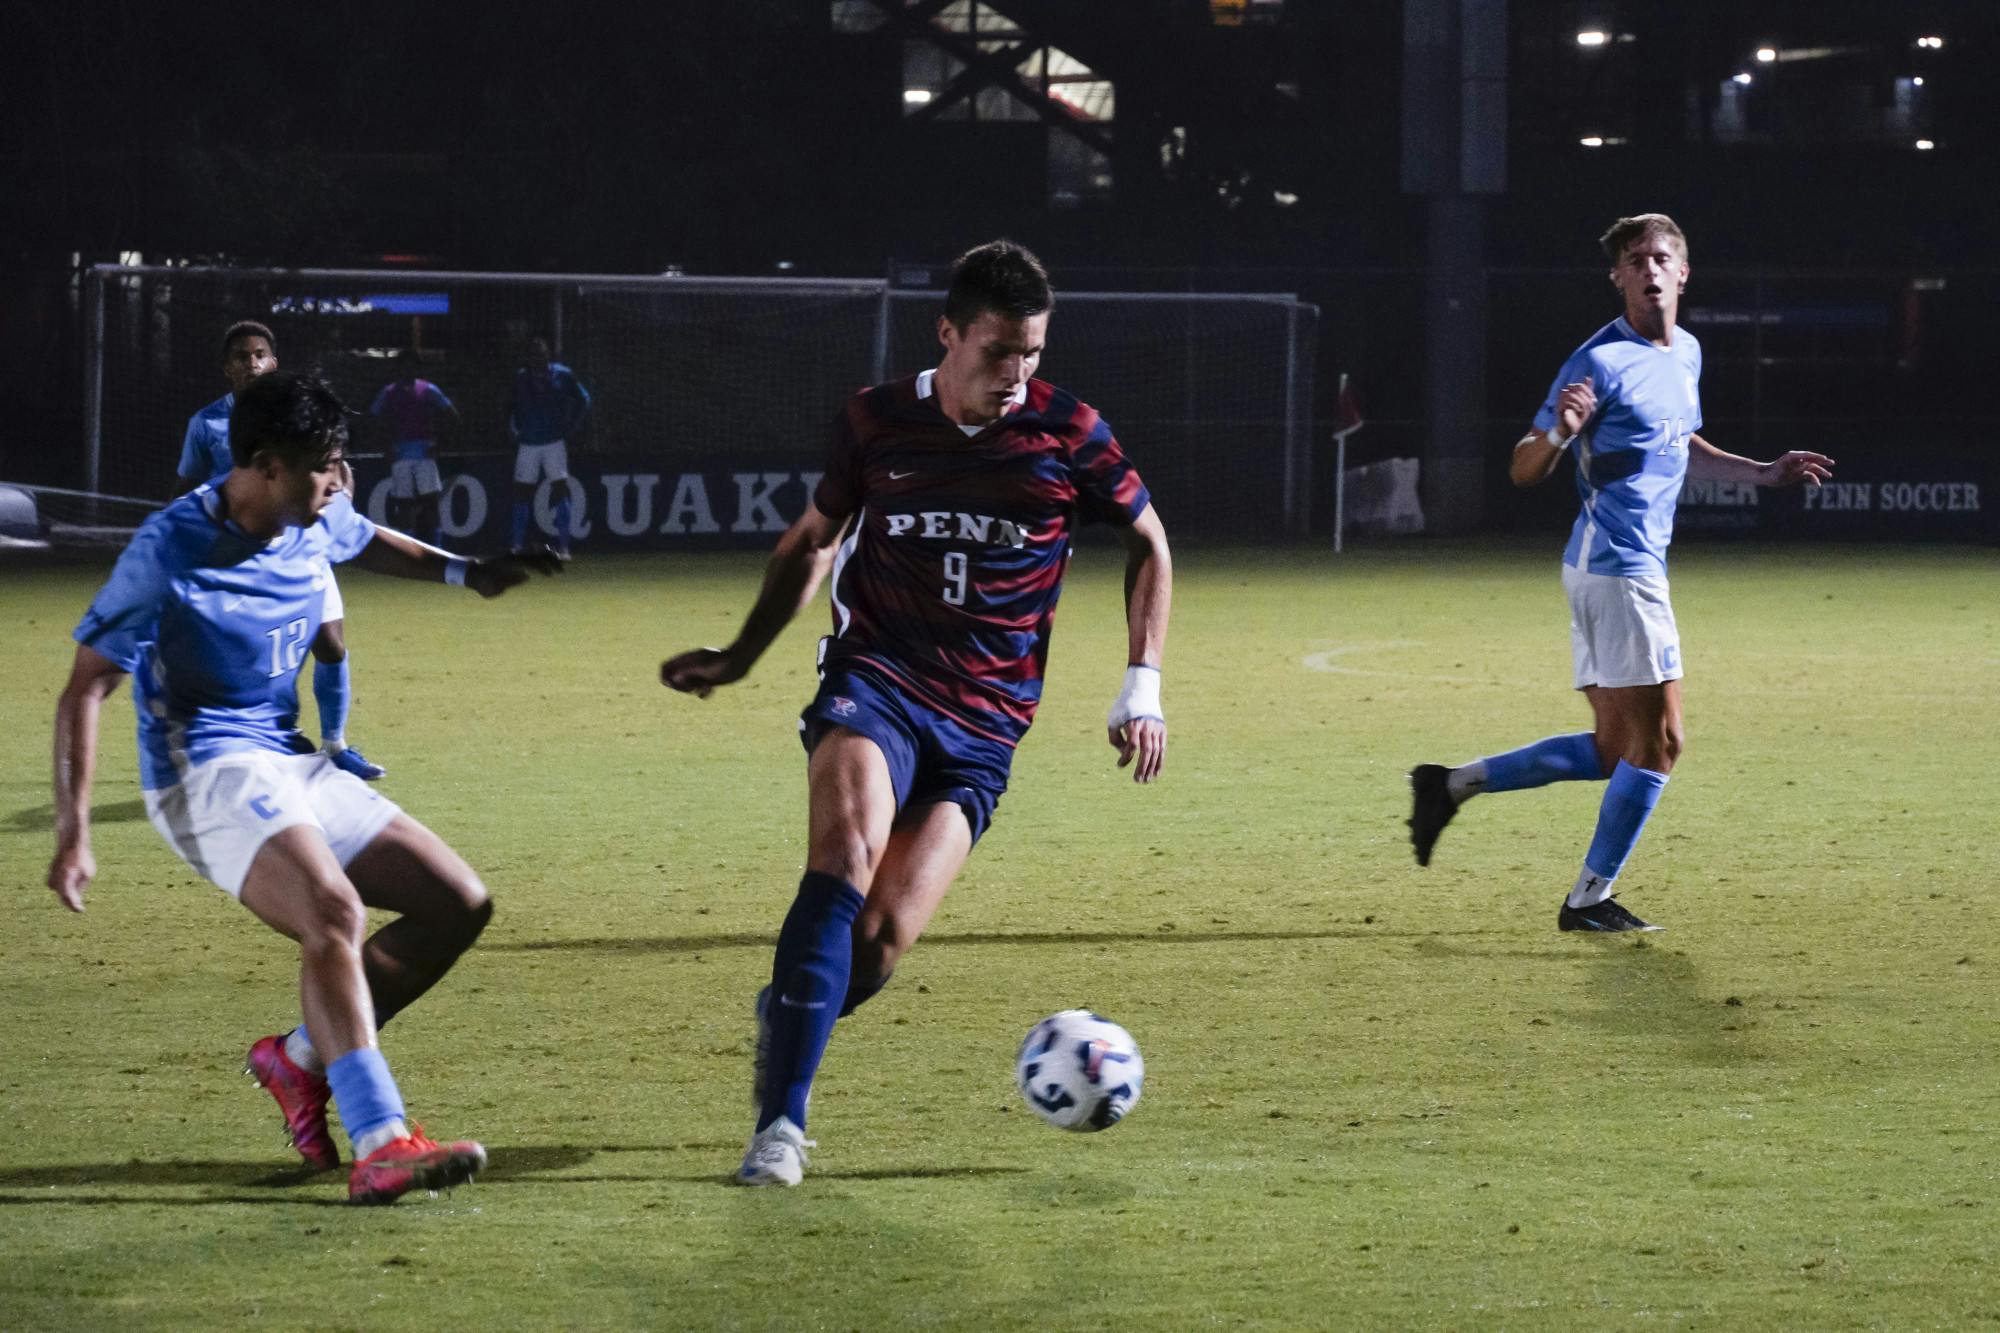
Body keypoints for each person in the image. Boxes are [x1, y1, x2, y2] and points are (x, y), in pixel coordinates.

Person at [661, 240, 1173, 1187]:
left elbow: (1148, 538)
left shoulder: (1071, 431)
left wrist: (1142, 683)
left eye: (1032, 353)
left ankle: (791, 1015)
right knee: (843, 861)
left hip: (986, 722)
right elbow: (812, 543)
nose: (1017, 376)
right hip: (877, 678)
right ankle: (782, 1126)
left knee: (882, 942)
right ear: (946, 333)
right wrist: (739, 656)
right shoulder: (875, 422)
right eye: (996, 352)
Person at [50, 370, 562, 1204]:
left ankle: (299, 1059)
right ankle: (382, 1139)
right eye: (324, 465)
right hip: (201, 770)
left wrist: (471, 572)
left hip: (284, 757)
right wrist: (76, 830)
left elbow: (370, 539)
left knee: (457, 902)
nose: (339, 480)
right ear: (263, 464)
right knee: (334, 911)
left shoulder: (311, 515)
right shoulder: (172, 546)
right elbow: (85, 686)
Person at [1406, 214, 1834, 932]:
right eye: (1635, 260)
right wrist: (1558, 434)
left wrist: (1762, 473)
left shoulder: (1686, 353)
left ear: (1684, 271)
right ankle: (1589, 900)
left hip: (1608, 569)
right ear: (1618, 277)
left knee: (1616, 749)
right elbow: (1523, 465)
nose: (1649, 270)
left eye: (1661, 257)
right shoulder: (1597, 363)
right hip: (1618, 570)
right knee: (1661, 744)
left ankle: (1448, 785)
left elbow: (1680, 441)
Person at [177, 320, 387, 782]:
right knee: (248, 655)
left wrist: (340, 497)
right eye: (240, 356)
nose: (251, 363)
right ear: (226, 367)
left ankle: (335, 746)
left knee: (330, 644)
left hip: (302, 544)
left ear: (273, 362)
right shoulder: (207, 423)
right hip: (243, 557)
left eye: (259, 355)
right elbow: (186, 487)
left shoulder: (298, 415)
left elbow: (335, 466)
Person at [507, 335, 591, 557]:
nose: (538, 358)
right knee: (521, 493)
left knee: (560, 490)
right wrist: (512, 427)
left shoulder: (563, 375)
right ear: (528, 357)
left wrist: (574, 425)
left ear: (548, 355)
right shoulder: (521, 378)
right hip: (528, 443)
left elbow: (584, 399)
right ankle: (516, 545)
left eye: (541, 353)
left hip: (554, 441)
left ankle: (564, 547)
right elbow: (510, 407)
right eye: (533, 354)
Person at [369, 348, 460, 546]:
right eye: (404, 366)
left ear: (417, 368)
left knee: (431, 503)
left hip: (424, 454)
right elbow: (372, 419)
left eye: (412, 366)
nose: (408, 370)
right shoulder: (389, 392)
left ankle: (438, 550)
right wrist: (386, 446)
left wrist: (440, 442)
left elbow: (452, 414)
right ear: (398, 369)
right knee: (404, 505)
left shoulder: (428, 390)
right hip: (400, 454)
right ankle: (407, 553)